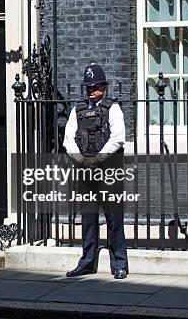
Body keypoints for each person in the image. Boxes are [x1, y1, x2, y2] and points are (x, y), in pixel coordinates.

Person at [63, 63, 128, 279]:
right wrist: (82, 160)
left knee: (114, 219)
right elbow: (68, 139)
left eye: (96, 86)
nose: (92, 90)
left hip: (108, 171)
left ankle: (119, 263)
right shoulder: (78, 110)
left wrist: (97, 159)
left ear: (104, 86)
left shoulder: (113, 108)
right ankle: (87, 262)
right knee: (88, 218)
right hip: (85, 171)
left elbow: (118, 138)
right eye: (89, 87)